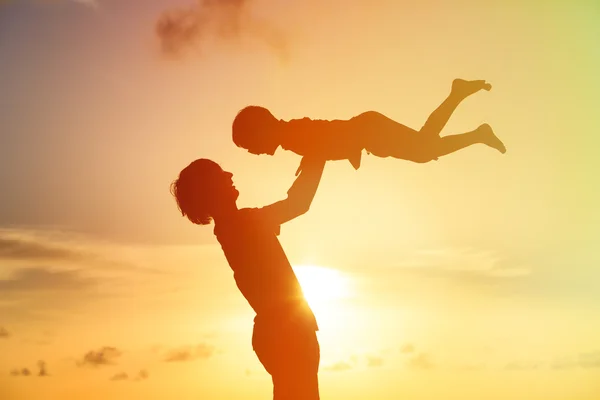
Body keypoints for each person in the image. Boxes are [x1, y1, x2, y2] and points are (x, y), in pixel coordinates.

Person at [170, 155, 326, 400]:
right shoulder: (243, 223)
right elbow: (298, 204)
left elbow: (290, 207)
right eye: (221, 175)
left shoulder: (234, 226)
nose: (230, 175)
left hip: (280, 329)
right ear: (210, 189)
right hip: (287, 331)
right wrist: (319, 157)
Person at [232, 78, 506, 169]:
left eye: (250, 145)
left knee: (424, 149)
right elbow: (321, 138)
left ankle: (470, 119)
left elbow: (323, 137)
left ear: (261, 131)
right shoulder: (291, 136)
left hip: (369, 132)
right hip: (369, 132)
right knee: (426, 145)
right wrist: (314, 156)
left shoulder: (292, 135)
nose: (253, 152)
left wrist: (316, 157)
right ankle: (465, 109)